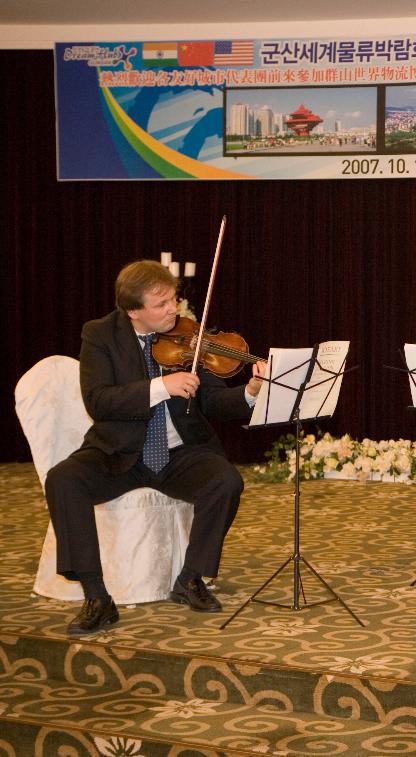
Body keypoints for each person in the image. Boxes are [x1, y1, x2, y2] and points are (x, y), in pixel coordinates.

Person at [43, 260, 266, 637]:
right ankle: (97, 597)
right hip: (119, 452)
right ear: (133, 310)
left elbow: (212, 401)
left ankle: (191, 578)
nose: (172, 310)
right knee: (62, 479)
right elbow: (99, 400)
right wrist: (162, 387)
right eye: (161, 304)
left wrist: (250, 393)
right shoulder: (99, 335)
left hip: (178, 453)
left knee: (226, 481)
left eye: (173, 299)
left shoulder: (188, 337)